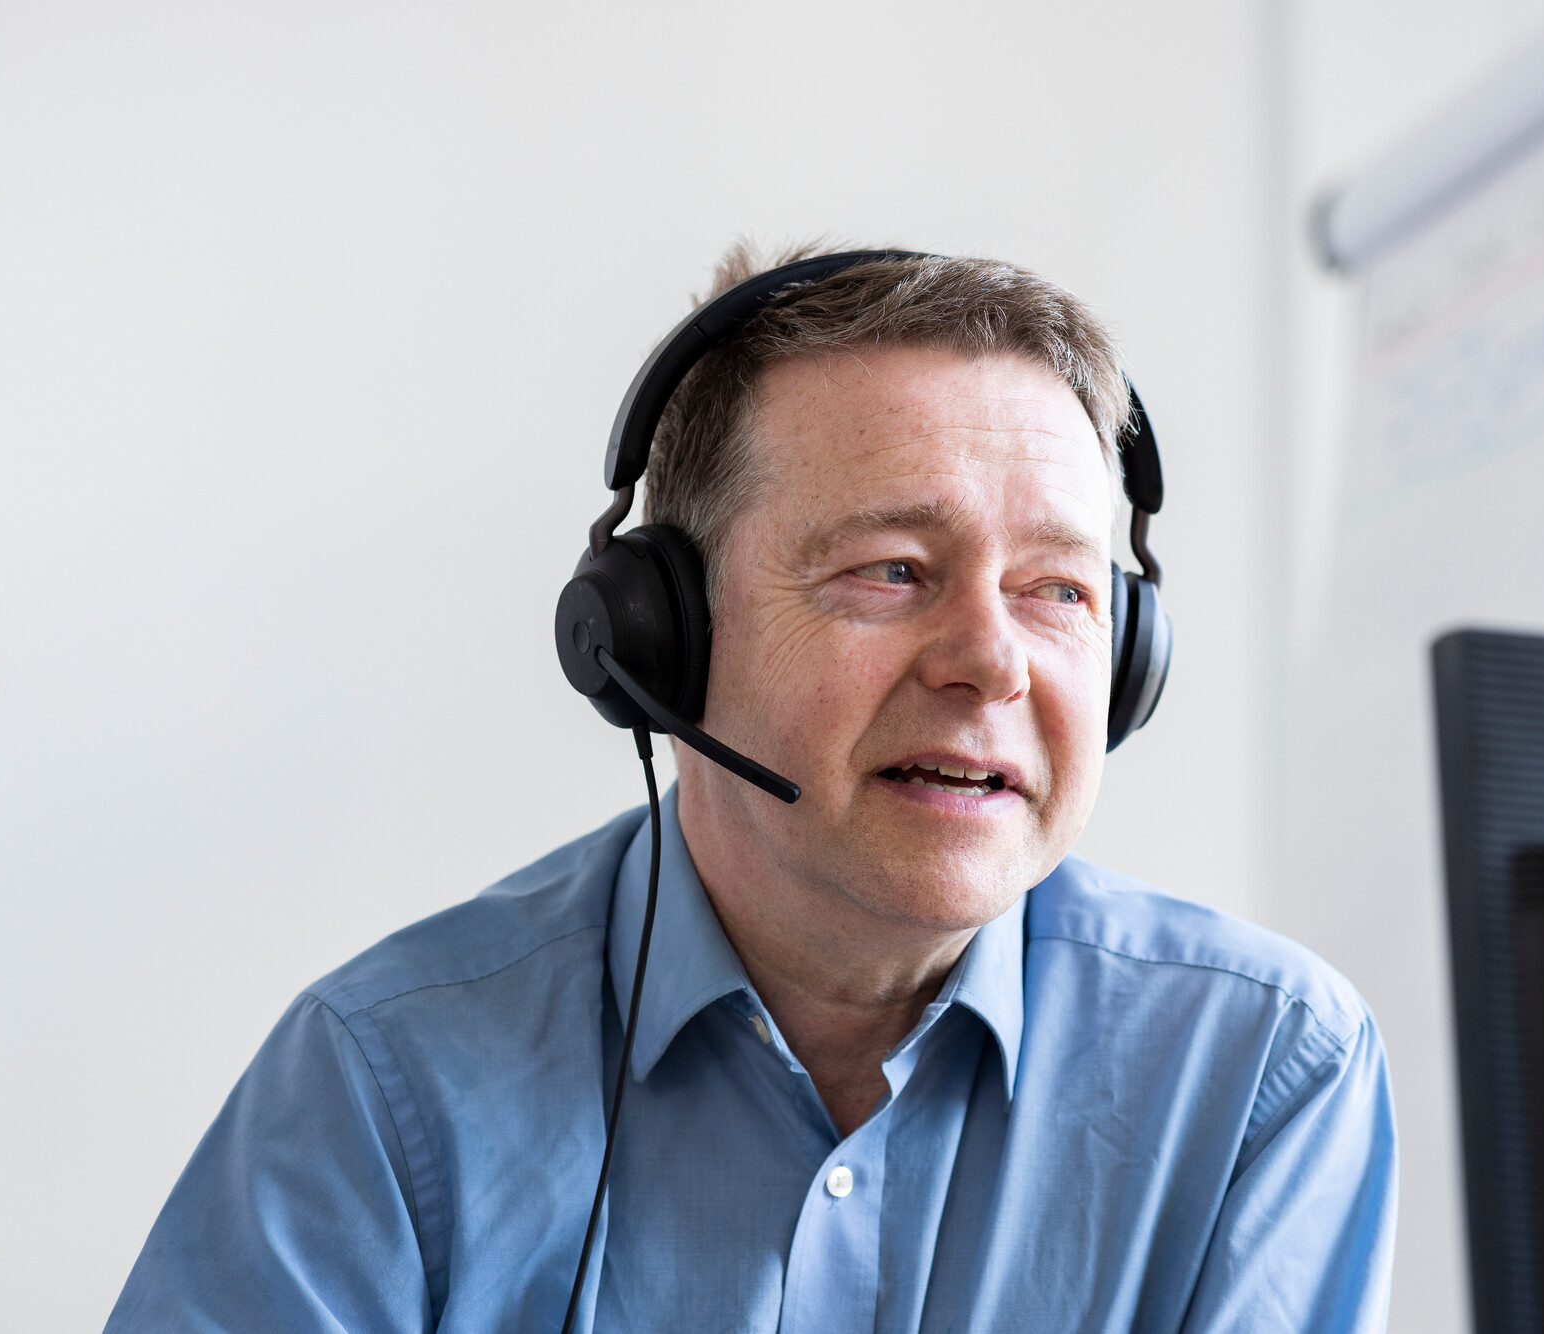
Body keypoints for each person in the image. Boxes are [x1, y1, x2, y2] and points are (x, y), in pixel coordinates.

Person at [105, 246, 1397, 1333]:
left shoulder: (1262, 1078)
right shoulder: (385, 1088)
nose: (992, 659)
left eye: (1059, 589)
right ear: (661, 641)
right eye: (894, 569)